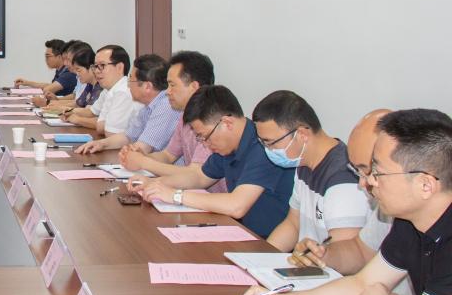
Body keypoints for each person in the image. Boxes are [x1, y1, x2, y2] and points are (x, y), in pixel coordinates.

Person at [242, 109, 452, 295]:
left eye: (378, 173)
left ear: (425, 185)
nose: (366, 184)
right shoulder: (409, 222)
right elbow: (362, 284)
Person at [288, 109, 415, 295]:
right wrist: (322, 254)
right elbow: (360, 252)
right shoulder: (393, 212)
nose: (363, 183)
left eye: (370, 171)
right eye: (358, 172)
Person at [134, 85, 294, 238]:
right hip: (243, 232)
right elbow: (199, 177)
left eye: (205, 136)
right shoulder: (228, 147)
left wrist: (176, 195)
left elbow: (236, 205)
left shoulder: (263, 146)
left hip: (268, 243)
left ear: (227, 123)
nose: (205, 144)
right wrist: (155, 184)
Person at [254, 90, 369, 254]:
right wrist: (263, 258)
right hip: (303, 263)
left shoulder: (344, 178)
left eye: (271, 143)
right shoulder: (303, 162)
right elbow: (293, 224)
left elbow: (344, 254)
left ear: (302, 134)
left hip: (324, 267)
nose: (268, 149)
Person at [117, 51, 225, 191]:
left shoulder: (211, 120)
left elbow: (195, 174)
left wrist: (143, 162)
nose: (167, 92)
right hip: (193, 194)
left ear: (194, 87)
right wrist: (139, 156)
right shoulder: (185, 115)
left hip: (212, 199)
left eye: (172, 85)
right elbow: (168, 155)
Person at [75, 54, 179, 154]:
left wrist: (125, 153)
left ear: (147, 86)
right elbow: (128, 136)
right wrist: (101, 144)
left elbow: (143, 148)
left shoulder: (166, 106)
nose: (128, 86)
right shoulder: (147, 107)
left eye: (131, 80)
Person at [61, 45, 133, 136]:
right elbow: (92, 112)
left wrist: (78, 119)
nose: (96, 71)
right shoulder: (108, 89)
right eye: (95, 66)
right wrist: (72, 112)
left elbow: (104, 128)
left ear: (119, 67)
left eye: (102, 65)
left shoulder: (123, 91)